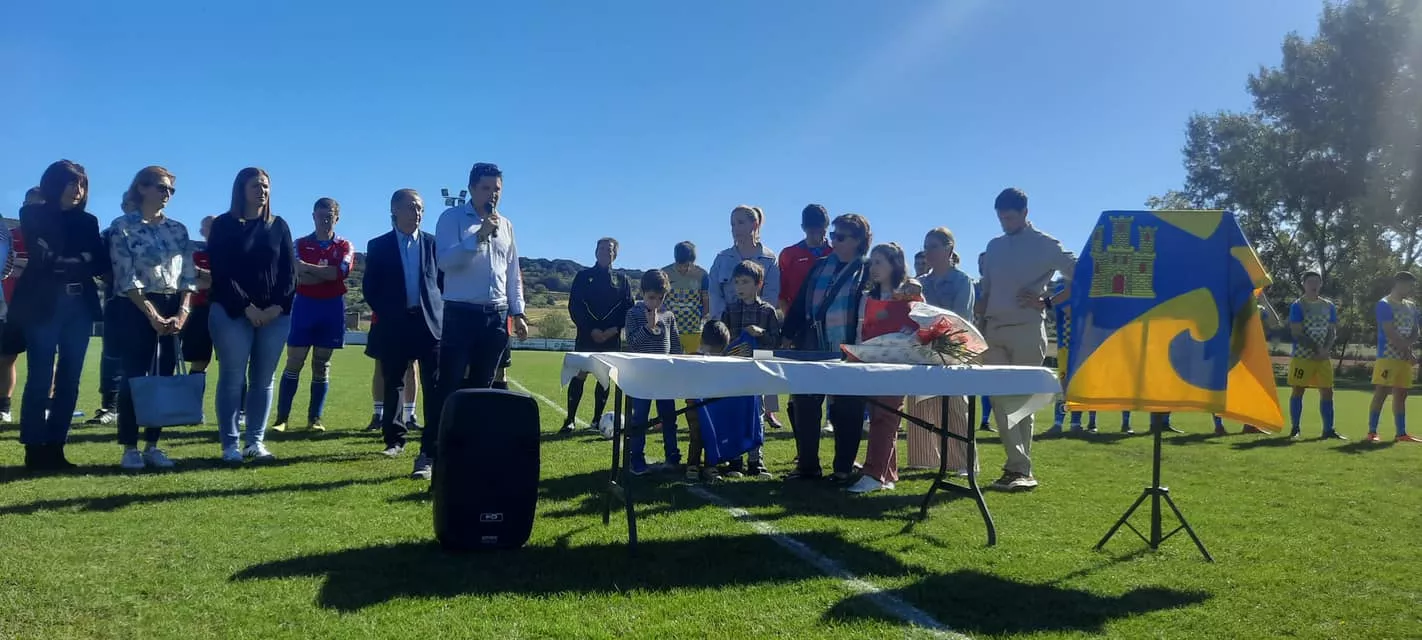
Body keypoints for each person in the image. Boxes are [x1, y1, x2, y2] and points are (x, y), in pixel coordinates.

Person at [426, 162, 529, 480]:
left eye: (497, 189)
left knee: (483, 389)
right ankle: (430, 454)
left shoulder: (507, 225)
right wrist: (478, 238)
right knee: (449, 387)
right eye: (486, 188)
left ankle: (468, 452)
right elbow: (444, 261)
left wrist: (518, 311)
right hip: (459, 313)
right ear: (471, 189)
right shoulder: (452, 219)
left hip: (495, 316)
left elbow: (512, 271)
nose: (492, 194)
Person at [976, 187, 1076, 492]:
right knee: (1000, 398)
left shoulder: (1047, 244)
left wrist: (1048, 302)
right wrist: (976, 325)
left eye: (1009, 217)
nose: (1004, 222)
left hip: (1028, 329)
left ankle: (1018, 469)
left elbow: (1083, 275)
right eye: (1000, 217)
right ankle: (1019, 467)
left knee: (1022, 403)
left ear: (1025, 214)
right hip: (993, 329)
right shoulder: (993, 246)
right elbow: (986, 289)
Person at [12, 160, 107, 471]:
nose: (78, 191)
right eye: (71, 183)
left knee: (70, 380)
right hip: (42, 307)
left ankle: (56, 445)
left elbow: (97, 261)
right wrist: (78, 258)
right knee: (40, 377)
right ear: (55, 184)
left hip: (78, 308)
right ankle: (33, 446)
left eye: (82, 184)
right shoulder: (33, 213)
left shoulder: (89, 221)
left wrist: (69, 258)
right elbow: (43, 257)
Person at [207, 167, 296, 463]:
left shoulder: (279, 226)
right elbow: (221, 272)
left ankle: (254, 442)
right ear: (241, 189)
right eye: (256, 185)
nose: (262, 190)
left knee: (263, 380)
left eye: (266, 186)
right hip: (232, 312)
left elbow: (289, 273)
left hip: (275, 316)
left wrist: (275, 308)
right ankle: (230, 444)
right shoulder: (223, 225)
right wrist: (247, 307)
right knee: (232, 378)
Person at [108, 166, 196, 469]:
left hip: (173, 305)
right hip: (136, 306)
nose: (166, 194)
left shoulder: (178, 229)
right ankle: (129, 447)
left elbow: (188, 275)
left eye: (170, 190)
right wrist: (151, 314)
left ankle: (153, 445)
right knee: (135, 378)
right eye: (161, 187)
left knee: (164, 377)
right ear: (142, 188)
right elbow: (125, 276)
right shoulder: (122, 227)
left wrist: (183, 311)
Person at [782, 213, 873, 484]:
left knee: (848, 408)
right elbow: (800, 303)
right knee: (805, 405)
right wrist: (787, 335)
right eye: (833, 235)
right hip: (812, 345)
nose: (834, 241)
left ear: (859, 241)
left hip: (850, 347)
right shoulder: (820, 266)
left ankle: (843, 468)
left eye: (841, 237)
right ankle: (808, 466)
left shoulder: (867, 270)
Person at [364, 189, 443, 457]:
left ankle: (433, 438)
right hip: (394, 323)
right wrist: (389, 313)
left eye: (420, 208)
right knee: (393, 381)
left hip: (428, 324)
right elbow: (370, 288)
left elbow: (441, 284)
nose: (417, 213)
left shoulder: (433, 244)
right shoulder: (378, 246)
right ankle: (395, 440)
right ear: (394, 210)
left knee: (433, 383)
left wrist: (437, 313)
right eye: (411, 207)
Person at [274, 198, 354, 432]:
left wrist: (310, 269)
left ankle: (314, 419)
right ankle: (282, 419)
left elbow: (339, 273)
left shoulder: (345, 246)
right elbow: (297, 273)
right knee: (294, 361)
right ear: (313, 216)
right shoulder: (299, 244)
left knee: (322, 364)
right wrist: (324, 274)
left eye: (329, 215)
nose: (325, 219)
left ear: (337, 218)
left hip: (331, 308)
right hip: (305, 306)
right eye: (321, 215)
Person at [851, 243, 923, 494]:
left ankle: (873, 473)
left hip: (898, 365)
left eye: (879, 262)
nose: (874, 268)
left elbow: (922, 324)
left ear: (895, 264)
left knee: (885, 416)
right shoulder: (868, 296)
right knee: (880, 416)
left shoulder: (909, 293)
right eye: (872, 263)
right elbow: (863, 330)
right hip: (871, 362)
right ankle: (888, 474)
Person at [905, 227, 977, 472]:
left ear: (949, 249)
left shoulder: (962, 281)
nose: (928, 252)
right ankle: (923, 459)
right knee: (919, 404)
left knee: (955, 407)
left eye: (933, 246)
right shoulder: (920, 283)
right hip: (922, 350)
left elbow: (961, 319)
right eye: (926, 247)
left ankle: (963, 463)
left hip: (951, 350)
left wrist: (937, 333)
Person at [710, 205, 783, 429]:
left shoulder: (769, 259)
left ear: (755, 225)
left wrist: (759, 324)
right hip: (731, 327)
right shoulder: (722, 258)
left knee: (764, 373)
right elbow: (714, 292)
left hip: (760, 329)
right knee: (733, 384)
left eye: (740, 222)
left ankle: (768, 411)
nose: (735, 228)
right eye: (732, 223)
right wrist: (722, 324)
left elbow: (771, 294)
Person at [563, 237, 632, 433]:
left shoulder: (622, 279)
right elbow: (575, 305)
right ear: (595, 252)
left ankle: (596, 421)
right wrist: (590, 329)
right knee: (580, 375)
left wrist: (613, 330)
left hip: (611, 337)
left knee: (604, 378)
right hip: (586, 335)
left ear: (615, 254)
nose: (604, 252)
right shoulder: (583, 276)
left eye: (609, 250)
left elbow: (628, 308)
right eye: (601, 249)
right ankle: (570, 420)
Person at [719, 259, 780, 478]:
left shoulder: (768, 312)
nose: (740, 287)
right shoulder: (730, 310)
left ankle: (756, 461)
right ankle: (735, 461)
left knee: (757, 414)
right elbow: (723, 343)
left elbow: (776, 343)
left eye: (745, 282)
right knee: (736, 413)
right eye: (737, 282)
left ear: (758, 284)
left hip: (759, 369)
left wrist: (761, 333)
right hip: (735, 369)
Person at [623, 269, 685, 474]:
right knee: (639, 419)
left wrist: (678, 367)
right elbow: (632, 344)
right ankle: (637, 459)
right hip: (641, 376)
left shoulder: (668, 316)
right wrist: (648, 328)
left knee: (669, 417)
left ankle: (672, 455)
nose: (656, 303)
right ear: (642, 293)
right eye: (651, 297)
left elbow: (675, 346)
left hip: (664, 377)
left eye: (660, 298)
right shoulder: (633, 314)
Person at [1286, 271, 1343, 440]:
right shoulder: (1298, 305)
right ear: (1304, 284)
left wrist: (1326, 349)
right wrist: (1317, 348)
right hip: (1303, 357)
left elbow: (1332, 331)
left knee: (1327, 391)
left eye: (1316, 282)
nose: (1313, 285)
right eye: (1310, 282)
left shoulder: (1329, 305)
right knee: (1298, 390)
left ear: (1320, 284)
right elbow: (1296, 333)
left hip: (1323, 357)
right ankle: (1295, 428)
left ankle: (1328, 430)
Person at [1365, 271, 1420, 443]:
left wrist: (1408, 347)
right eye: (1407, 284)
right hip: (1387, 357)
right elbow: (1389, 332)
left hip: (1403, 359)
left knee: (1401, 394)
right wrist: (1407, 352)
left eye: (1411, 285)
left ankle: (1401, 433)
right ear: (1398, 283)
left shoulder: (1411, 306)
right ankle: (1372, 432)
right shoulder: (1384, 304)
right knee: (1381, 392)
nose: (1409, 288)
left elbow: (1415, 331)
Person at [684, 320, 733, 483]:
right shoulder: (691, 358)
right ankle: (693, 464)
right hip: (694, 405)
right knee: (696, 435)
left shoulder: (723, 362)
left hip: (714, 407)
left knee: (713, 435)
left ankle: (711, 465)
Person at [86, 222, 124, 427]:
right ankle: (111, 406)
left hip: (153, 301)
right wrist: (114, 278)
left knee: (149, 355)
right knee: (112, 355)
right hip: (116, 302)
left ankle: (144, 404)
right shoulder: (112, 232)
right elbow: (97, 261)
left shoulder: (161, 230)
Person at [363, 315, 421, 432]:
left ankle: (409, 416)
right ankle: (378, 415)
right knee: (380, 363)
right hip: (383, 317)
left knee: (411, 363)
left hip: (412, 317)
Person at [664, 241, 710, 356]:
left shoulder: (702, 275)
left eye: (687, 265)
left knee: (693, 363)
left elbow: (706, 301)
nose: (683, 268)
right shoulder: (665, 273)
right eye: (680, 264)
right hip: (670, 330)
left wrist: (702, 318)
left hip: (693, 330)